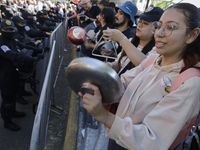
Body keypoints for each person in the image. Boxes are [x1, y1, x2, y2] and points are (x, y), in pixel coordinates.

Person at [78, 3, 200, 150]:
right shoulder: (154, 60)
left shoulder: (189, 83)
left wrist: (104, 116)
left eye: (171, 27)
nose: (159, 33)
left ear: (192, 35)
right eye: (159, 26)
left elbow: (152, 140)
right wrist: (98, 82)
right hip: (118, 136)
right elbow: (122, 83)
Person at [0, 19, 41, 131]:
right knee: (7, 99)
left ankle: (12, 112)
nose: (10, 31)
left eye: (11, 29)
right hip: (4, 75)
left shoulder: (11, 40)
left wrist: (36, 49)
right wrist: (33, 58)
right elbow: (14, 55)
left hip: (13, 72)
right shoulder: (1, 43)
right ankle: (7, 122)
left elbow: (22, 45)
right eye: (7, 30)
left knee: (13, 95)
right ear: (1, 30)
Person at [107, 7, 164, 74]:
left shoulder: (156, 51)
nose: (139, 25)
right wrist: (109, 65)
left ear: (156, 28)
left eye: (145, 23)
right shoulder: (131, 41)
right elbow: (118, 64)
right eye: (139, 21)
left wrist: (121, 39)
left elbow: (145, 66)